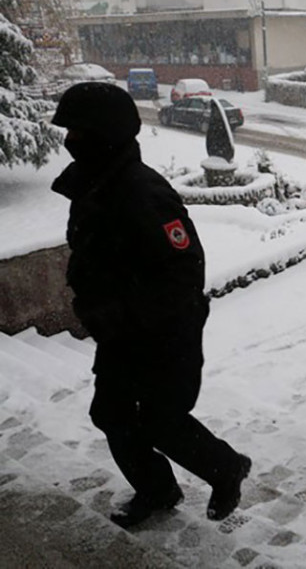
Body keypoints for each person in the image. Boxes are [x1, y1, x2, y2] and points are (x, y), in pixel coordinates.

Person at [50, 82, 251, 528]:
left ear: (105, 133)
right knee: (112, 415)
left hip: (162, 336)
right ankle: (158, 490)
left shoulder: (142, 193)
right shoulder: (97, 183)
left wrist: (125, 316)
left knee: (161, 420)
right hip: (122, 334)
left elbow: (181, 274)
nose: (70, 141)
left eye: (79, 131)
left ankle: (226, 468)